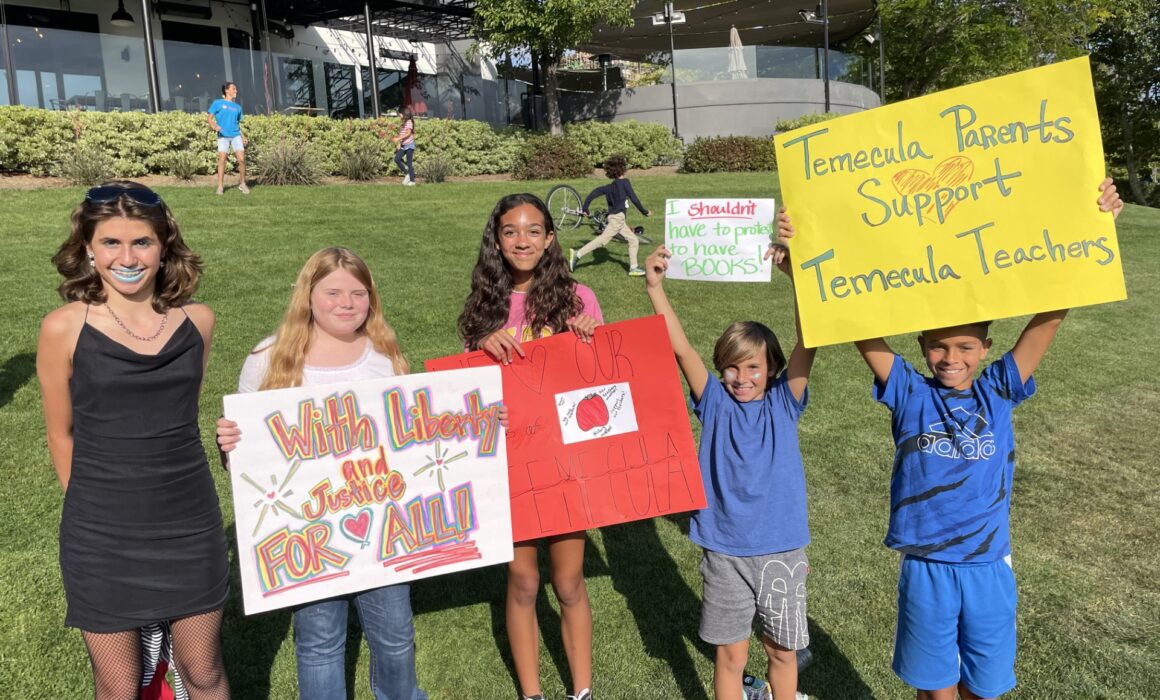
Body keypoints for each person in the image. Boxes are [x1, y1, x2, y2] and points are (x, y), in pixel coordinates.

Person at [799, 177, 1122, 700]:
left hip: (989, 567)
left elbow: (1050, 318)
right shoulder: (908, 393)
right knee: (934, 690)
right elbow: (854, 319)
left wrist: (1094, 229)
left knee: (985, 689)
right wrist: (804, 261)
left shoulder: (999, 390)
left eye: (967, 346)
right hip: (927, 568)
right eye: (938, 347)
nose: (952, 359)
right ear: (921, 345)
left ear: (987, 347)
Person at [36, 181, 231, 699]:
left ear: (164, 246)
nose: (127, 257)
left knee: (204, 670)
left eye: (141, 242)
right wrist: (93, 509)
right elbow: (60, 432)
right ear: (88, 250)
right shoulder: (63, 328)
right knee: (119, 685)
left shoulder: (198, 322)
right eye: (110, 243)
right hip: (101, 535)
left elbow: (178, 418)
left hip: (190, 525)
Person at [214, 247, 427, 700]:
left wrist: (476, 423)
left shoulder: (383, 354)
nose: (346, 303)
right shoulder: (269, 357)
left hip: (384, 530)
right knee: (319, 641)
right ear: (307, 295)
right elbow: (250, 459)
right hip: (307, 536)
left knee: (394, 636)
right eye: (332, 292)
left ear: (372, 298)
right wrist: (232, 444)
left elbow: (413, 437)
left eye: (358, 293)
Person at [641, 216, 815, 700]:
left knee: (781, 652)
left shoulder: (785, 401)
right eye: (732, 368)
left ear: (773, 368)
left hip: (781, 549)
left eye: (754, 367)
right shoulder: (714, 403)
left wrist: (795, 276)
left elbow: (811, 339)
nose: (742, 377)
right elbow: (679, 350)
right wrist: (656, 287)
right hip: (723, 551)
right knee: (731, 657)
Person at [457, 193, 602, 700]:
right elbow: (468, 397)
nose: (523, 241)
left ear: (550, 238)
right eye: (511, 231)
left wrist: (588, 336)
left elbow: (601, 383)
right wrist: (482, 346)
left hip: (564, 462)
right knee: (522, 582)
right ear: (496, 240)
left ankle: (581, 691)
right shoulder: (484, 307)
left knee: (568, 582)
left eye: (533, 230)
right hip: (509, 463)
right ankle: (532, 693)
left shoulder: (580, 298)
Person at [569, 154, 651, 277]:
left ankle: (633, 268)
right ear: (623, 168)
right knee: (603, 240)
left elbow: (594, 192)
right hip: (617, 218)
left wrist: (585, 207)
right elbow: (634, 199)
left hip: (616, 218)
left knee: (633, 240)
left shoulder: (610, 186)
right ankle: (578, 254)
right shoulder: (625, 183)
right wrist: (645, 212)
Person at [207, 82, 249, 195]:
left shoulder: (238, 107)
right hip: (223, 136)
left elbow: (236, 124)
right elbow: (209, 118)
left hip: (236, 135)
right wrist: (214, 126)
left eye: (236, 89)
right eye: (234, 89)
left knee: (241, 159)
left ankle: (242, 183)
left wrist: (243, 136)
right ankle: (220, 187)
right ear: (227, 90)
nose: (236, 91)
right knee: (222, 160)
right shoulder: (218, 103)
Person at [391, 107, 417, 186]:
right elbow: (402, 134)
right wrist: (399, 142)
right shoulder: (404, 123)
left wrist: (398, 138)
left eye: (400, 114)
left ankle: (412, 181)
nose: (399, 116)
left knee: (409, 163)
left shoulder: (409, 122)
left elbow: (408, 133)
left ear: (405, 114)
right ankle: (407, 173)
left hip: (409, 145)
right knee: (397, 159)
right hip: (403, 145)